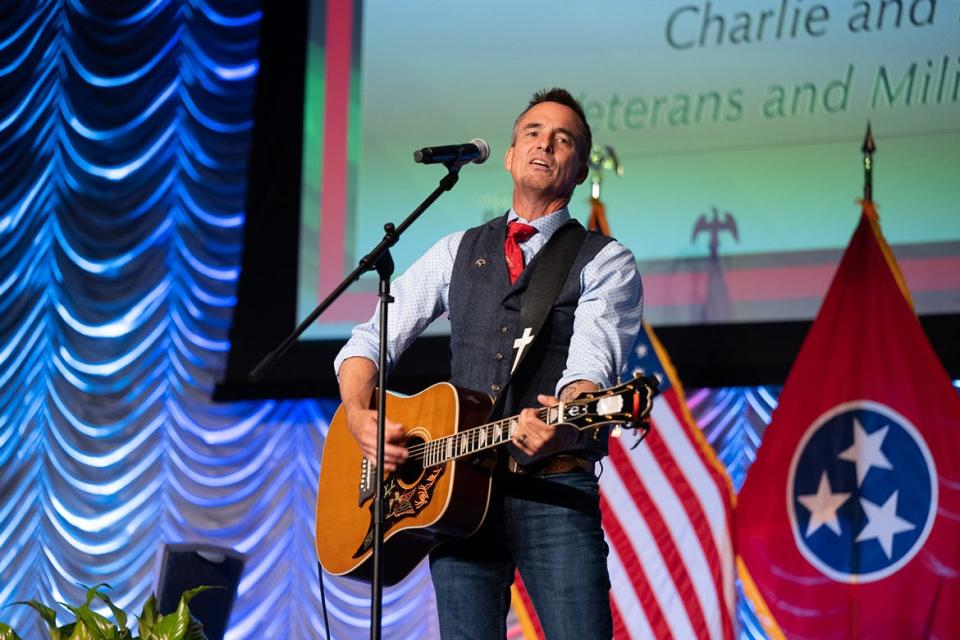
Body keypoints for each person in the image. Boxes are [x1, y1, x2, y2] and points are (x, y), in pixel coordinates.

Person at [334, 88, 642, 639]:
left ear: (576, 172)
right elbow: (368, 340)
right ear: (508, 155)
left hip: (554, 492)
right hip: (455, 497)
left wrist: (564, 420)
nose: (545, 143)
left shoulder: (606, 261)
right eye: (533, 133)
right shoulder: (457, 249)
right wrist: (359, 413)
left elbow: (589, 369)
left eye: (562, 139)